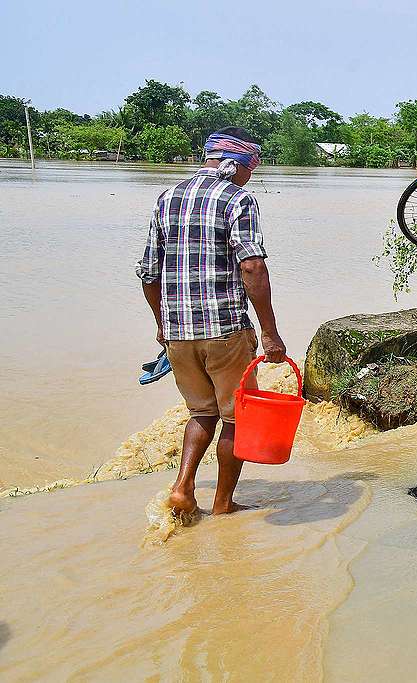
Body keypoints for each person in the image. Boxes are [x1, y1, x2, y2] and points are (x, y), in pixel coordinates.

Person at [136, 127, 287, 516]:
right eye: (251, 168)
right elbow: (252, 266)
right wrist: (270, 333)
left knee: (201, 413)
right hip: (224, 330)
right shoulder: (238, 199)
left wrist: (162, 325)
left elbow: (149, 272)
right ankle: (223, 504)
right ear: (237, 164)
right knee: (236, 417)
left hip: (178, 333)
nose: (250, 176)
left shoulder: (167, 197)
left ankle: (183, 489)